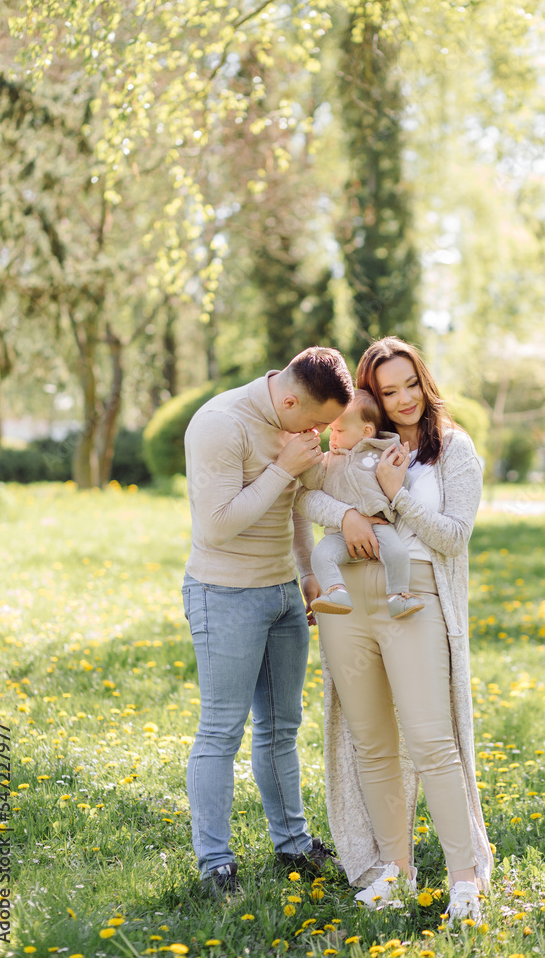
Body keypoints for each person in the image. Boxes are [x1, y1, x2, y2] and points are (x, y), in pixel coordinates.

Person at [295, 336, 493, 923]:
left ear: (424, 382)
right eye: (389, 390)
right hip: (347, 602)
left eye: (411, 384)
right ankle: (395, 870)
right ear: (371, 398)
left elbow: (454, 537)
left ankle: (464, 881)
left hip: (414, 596)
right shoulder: (353, 441)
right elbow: (306, 495)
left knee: (432, 741)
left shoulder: (452, 449)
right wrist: (348, 515)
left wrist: (396, 496)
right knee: (372, 742)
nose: (404, 399)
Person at [181, 346, 353, 896]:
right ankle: (215, 863)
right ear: (290, 400)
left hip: (281, 594)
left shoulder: (292, 424)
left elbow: (293, 505)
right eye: (317, 422)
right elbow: (216, 527)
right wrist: (283, 468)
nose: (319, 434)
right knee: (221, 730)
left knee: (281, 728)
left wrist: (307, 571)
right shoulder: (220, 424)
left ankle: (293, 844)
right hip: (224, 594)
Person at [299, 389, 425, 620]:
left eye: (339, 431)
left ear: (366, 431)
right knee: (321, 554)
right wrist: (311, 460)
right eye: (332, 430)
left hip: (379, 526)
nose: (332, 437)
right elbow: (312, 483)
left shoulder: (382, 454)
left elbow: (400, 484)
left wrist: (399, 469)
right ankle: (336, 591)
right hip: (340, 533)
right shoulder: (329, 460)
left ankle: (398, 596)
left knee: (397, 553)